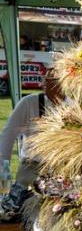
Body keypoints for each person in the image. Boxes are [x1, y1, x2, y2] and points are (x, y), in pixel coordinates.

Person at [0, 74, 63, 222]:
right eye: (45, 79)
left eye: (52, 79)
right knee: (22, 212)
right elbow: (7, 139)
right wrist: (4, 184)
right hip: (31, 169)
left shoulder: (75, 105)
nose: (45, 82)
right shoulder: (29, 103)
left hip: (64, 172)